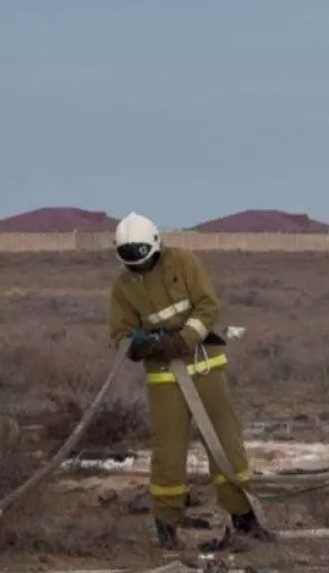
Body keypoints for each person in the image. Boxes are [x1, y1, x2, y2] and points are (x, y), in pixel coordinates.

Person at [106, 212, 272, 550]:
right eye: (131, 262)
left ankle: (244, 519)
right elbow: (121, 335)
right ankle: (166, 526)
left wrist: (182, 340)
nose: (139, 268)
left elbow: (207, 306)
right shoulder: (123, 286)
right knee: (168, 452)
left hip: (205, 367)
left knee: (226, 444)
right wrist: (142, 345)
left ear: (155, 245)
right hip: (165, 379)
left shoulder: (183, 263)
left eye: (143, 259)